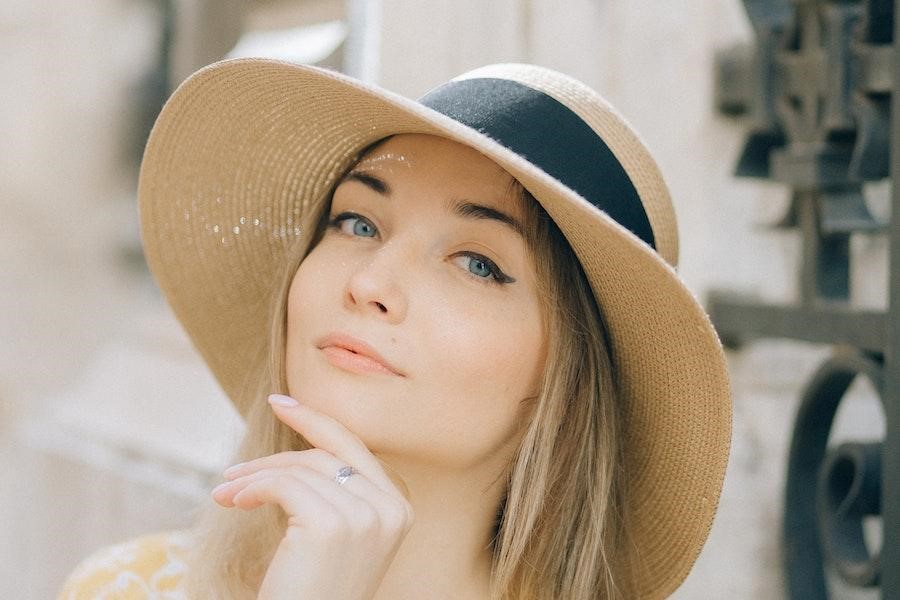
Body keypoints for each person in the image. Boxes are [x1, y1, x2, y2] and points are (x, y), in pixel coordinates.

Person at [58, 59, 732, 599]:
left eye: (477, 263)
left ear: (568, 374)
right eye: (357, 222)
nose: (371, 283)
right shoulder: (128, 588)